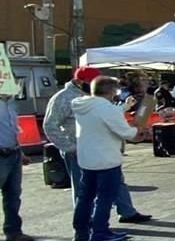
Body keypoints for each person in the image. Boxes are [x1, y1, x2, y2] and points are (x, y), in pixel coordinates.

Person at [43, 65, 152, 223]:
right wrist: (69, 147)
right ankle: (89, 222)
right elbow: (50, 125)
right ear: (80, 82)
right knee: (85, 190)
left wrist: (124, 107)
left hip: (100, 148)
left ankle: (126, 211)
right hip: (78, 150)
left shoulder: (91, 99)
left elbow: (105, 114)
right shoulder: (63, 98)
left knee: (113, 182)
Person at [72, 76, 141, 241]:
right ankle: (100, 231)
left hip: (87, 158)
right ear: (110, 91)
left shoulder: (83, 105)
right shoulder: (106, 109)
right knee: (105, 197)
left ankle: (81, 232)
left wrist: (124, 107)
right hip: (106, 158)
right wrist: (137, 131)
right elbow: (124, 131)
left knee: (85, 197)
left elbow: (104, 114)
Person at [0, 92, 34, 241]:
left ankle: (13, 231)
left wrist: (20, 153)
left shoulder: (11, 102)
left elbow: (13, 129)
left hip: (12, 152)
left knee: (13, 195)